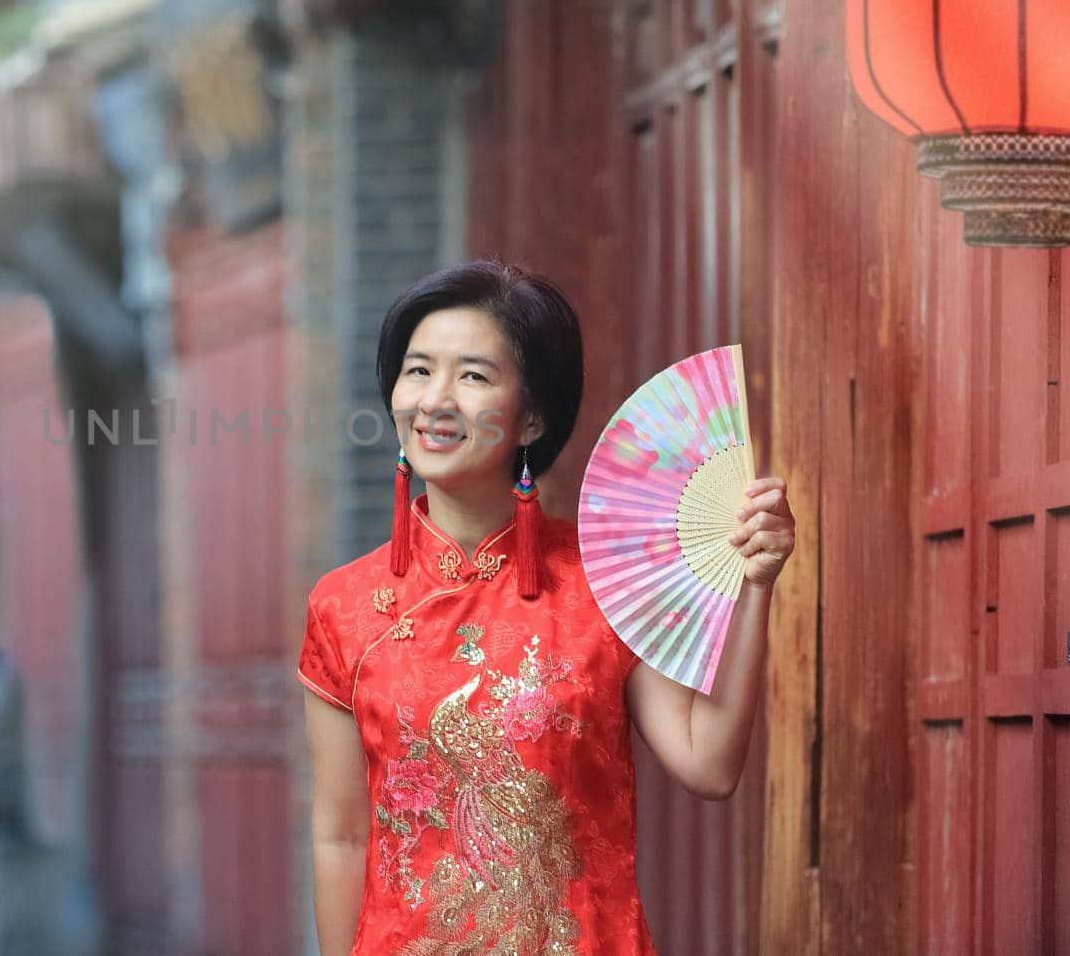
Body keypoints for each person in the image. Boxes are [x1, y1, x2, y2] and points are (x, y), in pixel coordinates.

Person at [297, 260, 795, 955]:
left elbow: (709, 763)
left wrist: (757, 587)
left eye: (472, 375)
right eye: (417, 370)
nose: (434, 399)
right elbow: (342, 833)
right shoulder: (344, 607)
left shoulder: (604, 581)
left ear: (532, 415)